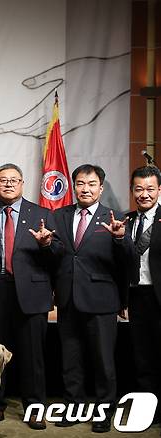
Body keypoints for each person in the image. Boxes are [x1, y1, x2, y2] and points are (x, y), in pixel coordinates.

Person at [0, 163, 62, 430]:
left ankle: (35, 407)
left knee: (33, 355)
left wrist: (46, 244)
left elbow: (57, 257)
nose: (8, 184)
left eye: (14, 180)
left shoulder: (41, 214)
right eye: (2, 180)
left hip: (31, 293)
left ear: (22, 183)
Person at [52, 164, 134, 433]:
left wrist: (121, 240)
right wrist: (45, 245)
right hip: (67, 300)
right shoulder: (59, 216)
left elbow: (127, 263)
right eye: (79, 183)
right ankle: (73, 406)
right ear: (73, 186)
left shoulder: (116, 218)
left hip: (102, 300)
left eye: (90, 184)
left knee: (103, 360)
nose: (84, 188)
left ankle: (103, 411)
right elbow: (57, 254)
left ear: (101, 187)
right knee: (70, 360)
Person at [124, 165, 161, 425]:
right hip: (137, 296)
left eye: (150, 188)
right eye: (139, 189)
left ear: (159, 190)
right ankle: (150, 408)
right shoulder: (125, 221)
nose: (144, 194)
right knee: (142, 356)